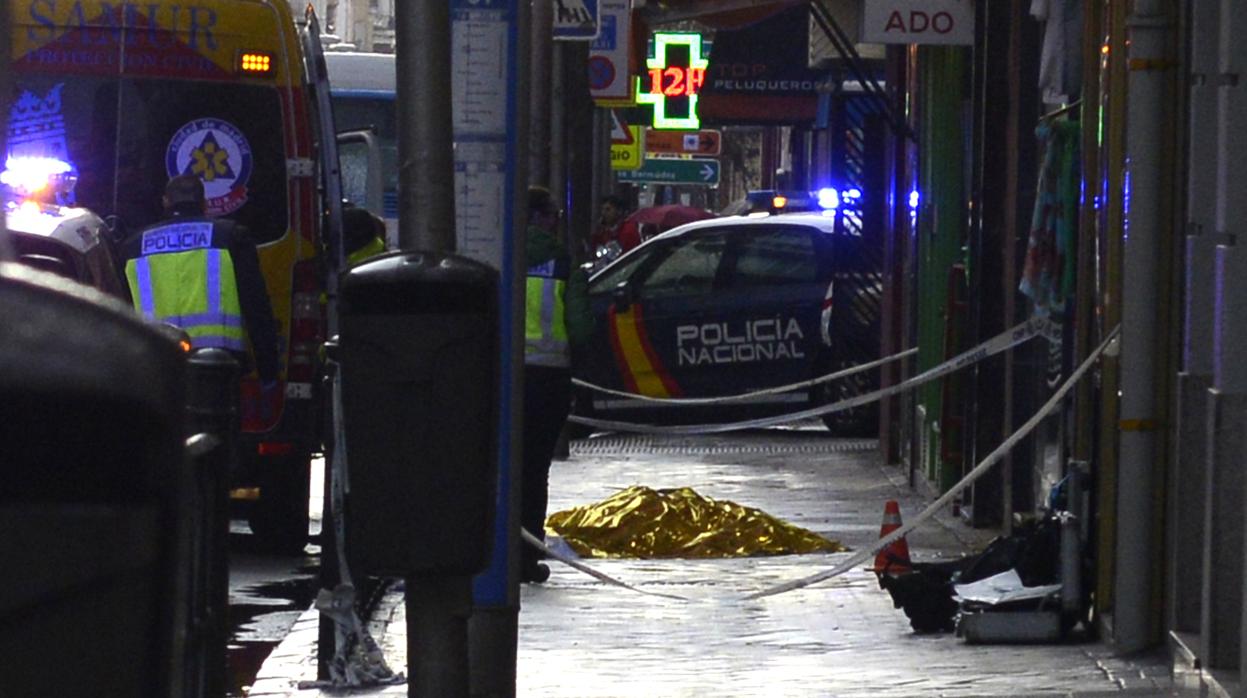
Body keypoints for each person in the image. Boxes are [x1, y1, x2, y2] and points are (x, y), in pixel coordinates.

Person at [122, 174, 280, 390]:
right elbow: (256, 305)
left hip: (158, 364)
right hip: (219, 364)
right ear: (204, 203)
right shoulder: (231, 237)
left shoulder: (133, 247)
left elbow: (120, 311)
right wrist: (268, 368)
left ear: (166, 202)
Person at [522, 185, 591, 583]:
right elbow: (581, 329)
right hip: (548, 382)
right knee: (534, 472)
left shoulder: (496, 251)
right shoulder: (564, 263)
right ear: (544, 217)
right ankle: (527, 556)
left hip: (503, 378)